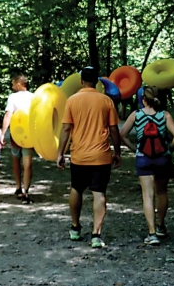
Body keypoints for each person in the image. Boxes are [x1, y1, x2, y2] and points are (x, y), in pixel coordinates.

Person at [57, 66, 121, 249]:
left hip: (79, 156)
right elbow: (114, 130)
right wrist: (117, 152)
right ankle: (96, 235)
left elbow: (66, 129)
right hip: (101, 156)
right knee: (99, 193)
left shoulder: (72, 100)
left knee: (76, 188)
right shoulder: (106, 101)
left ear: (81, 81)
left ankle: (75, 227)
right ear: (97, 81)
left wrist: (61, 153)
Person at [119, 86, 174, 246]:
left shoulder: (136, 115)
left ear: (142, 99)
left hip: (143, 158)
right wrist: (169, 148)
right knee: (161, 192)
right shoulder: (164, 115)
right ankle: (161, 226)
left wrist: (134, 149)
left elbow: (122, 135)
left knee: (147, 195)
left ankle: (152, 233)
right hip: (162, 159)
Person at [0, 73, 35, 204]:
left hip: (16, 133)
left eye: (13, 83)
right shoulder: (34, 97)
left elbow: (8, 115)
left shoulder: (13, 97)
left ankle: (18, 186)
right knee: (28, 164)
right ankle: (26, 191)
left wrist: (3, 133)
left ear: (19, 84)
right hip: (29, 134)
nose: (12, 86)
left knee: (16, 159)